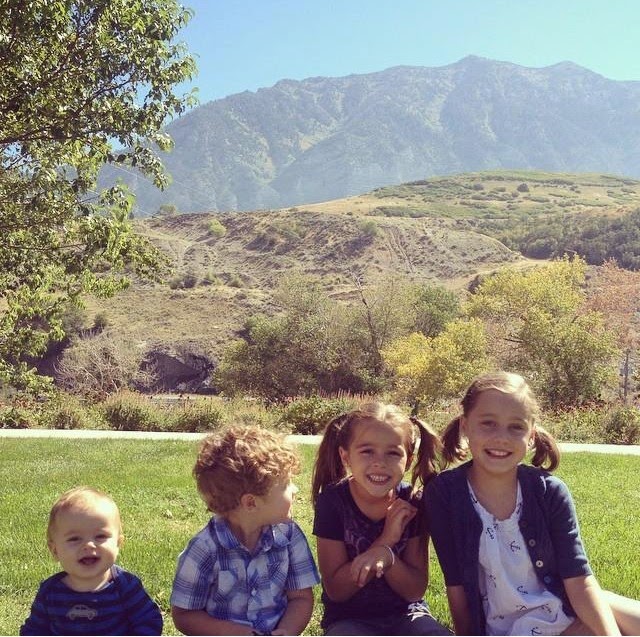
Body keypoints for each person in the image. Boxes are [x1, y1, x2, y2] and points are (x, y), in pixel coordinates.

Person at [425, 371, 640, 636]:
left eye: (516, 427)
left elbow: (579, 580)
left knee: (609, 617)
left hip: (564, 609)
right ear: (465, 426)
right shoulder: (444, 494)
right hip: (512, 629)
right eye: (488, 423)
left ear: (531, 435)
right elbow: (456, 584)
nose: (501, 437)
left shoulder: (549, 492)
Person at [311, 401, 451, 636]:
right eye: (367, 451)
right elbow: (337, 590)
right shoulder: (333, 502)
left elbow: (414, 590)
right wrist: (385, 541)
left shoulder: (412, 503)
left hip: (407, 615)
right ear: (345, 457)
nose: (379, 462)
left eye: (393, 453)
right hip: (348, 619)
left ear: (408, 459)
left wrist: (388, 559)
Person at [170, 424, 320, 636]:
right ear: (251, 503)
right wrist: (236, 633)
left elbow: (301, 598)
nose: (295, 490)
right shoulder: (204, 549)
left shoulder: (289, 536)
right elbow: (184, 615)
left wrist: (287, 630)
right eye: (286, 484)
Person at [20, 486, 162, 636]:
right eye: (74, 539)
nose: (88, 545)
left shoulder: (126, 586)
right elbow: (34, 630)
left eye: (100, 536)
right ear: (55, 550)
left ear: (118, 543)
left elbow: (149, 620)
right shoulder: (50, 591)